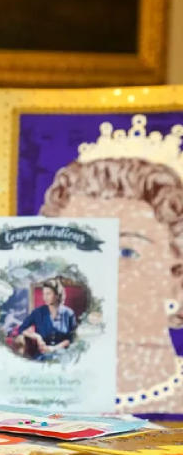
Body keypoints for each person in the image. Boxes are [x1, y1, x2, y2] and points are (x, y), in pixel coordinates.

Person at [42, 156, 183, 412]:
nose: (92, 277)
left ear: (176, 275)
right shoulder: (28, 393)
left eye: (126, 253)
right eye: (75, 254)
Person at [12, 278, 77, 360]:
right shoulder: (37, 312)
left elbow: (72, 338)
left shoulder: (69, 313)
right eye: (43, 294)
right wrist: (37, 337)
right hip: (42, 356)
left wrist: (54, 348)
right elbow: (22, 329)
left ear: (57, 295)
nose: (44, 297)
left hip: (63, 355)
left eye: (48, 294)